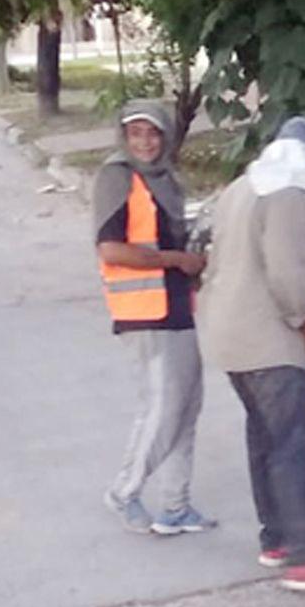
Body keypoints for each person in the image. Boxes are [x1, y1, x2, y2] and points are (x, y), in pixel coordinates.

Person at [195, 117, 305, 592]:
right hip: (267, 338)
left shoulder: (241, 188)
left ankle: (275, 539)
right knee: (296, 440)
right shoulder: (289, 193)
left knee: (266, 437)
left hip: (229, 336)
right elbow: (290, 275)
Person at [94, 100, 216, 537]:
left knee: (186, 408)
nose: (144, 142)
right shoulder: (117, 176)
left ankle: (175, 507)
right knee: (163, 409)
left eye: (152, 133)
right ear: (123, 137)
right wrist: (175, 259)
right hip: (144, 312)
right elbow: (110, 248)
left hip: (175, 306)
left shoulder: (165, 179)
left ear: (165, 136)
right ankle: (124, 492)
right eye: (135, 133)